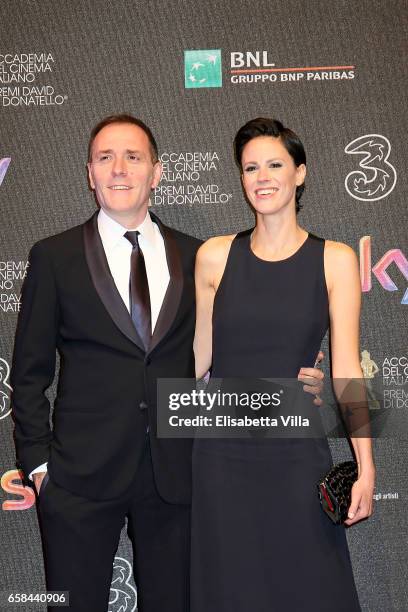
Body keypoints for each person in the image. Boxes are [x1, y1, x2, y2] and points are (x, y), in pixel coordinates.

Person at [11, 114, 324, 612]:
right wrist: (41, 467)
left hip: (178, 475)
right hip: (78, 478)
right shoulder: (53, 256)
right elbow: (28, 373)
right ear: (89, 173)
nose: (119, 169)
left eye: (133, 157)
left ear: (157, 173)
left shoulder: (199, 256)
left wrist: (301, 376)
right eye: (104, 158)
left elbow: (229, 353)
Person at [191, 118, 375, 611]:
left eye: (274, 164)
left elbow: (347, 371)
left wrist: (366, 466)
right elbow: (196, 358)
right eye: (251, 167)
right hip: (221, 458)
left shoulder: (334, 259)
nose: (262, 176)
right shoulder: (214, 256)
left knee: (308, 587)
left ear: (300, 174)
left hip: (295, 452)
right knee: (228, 589)